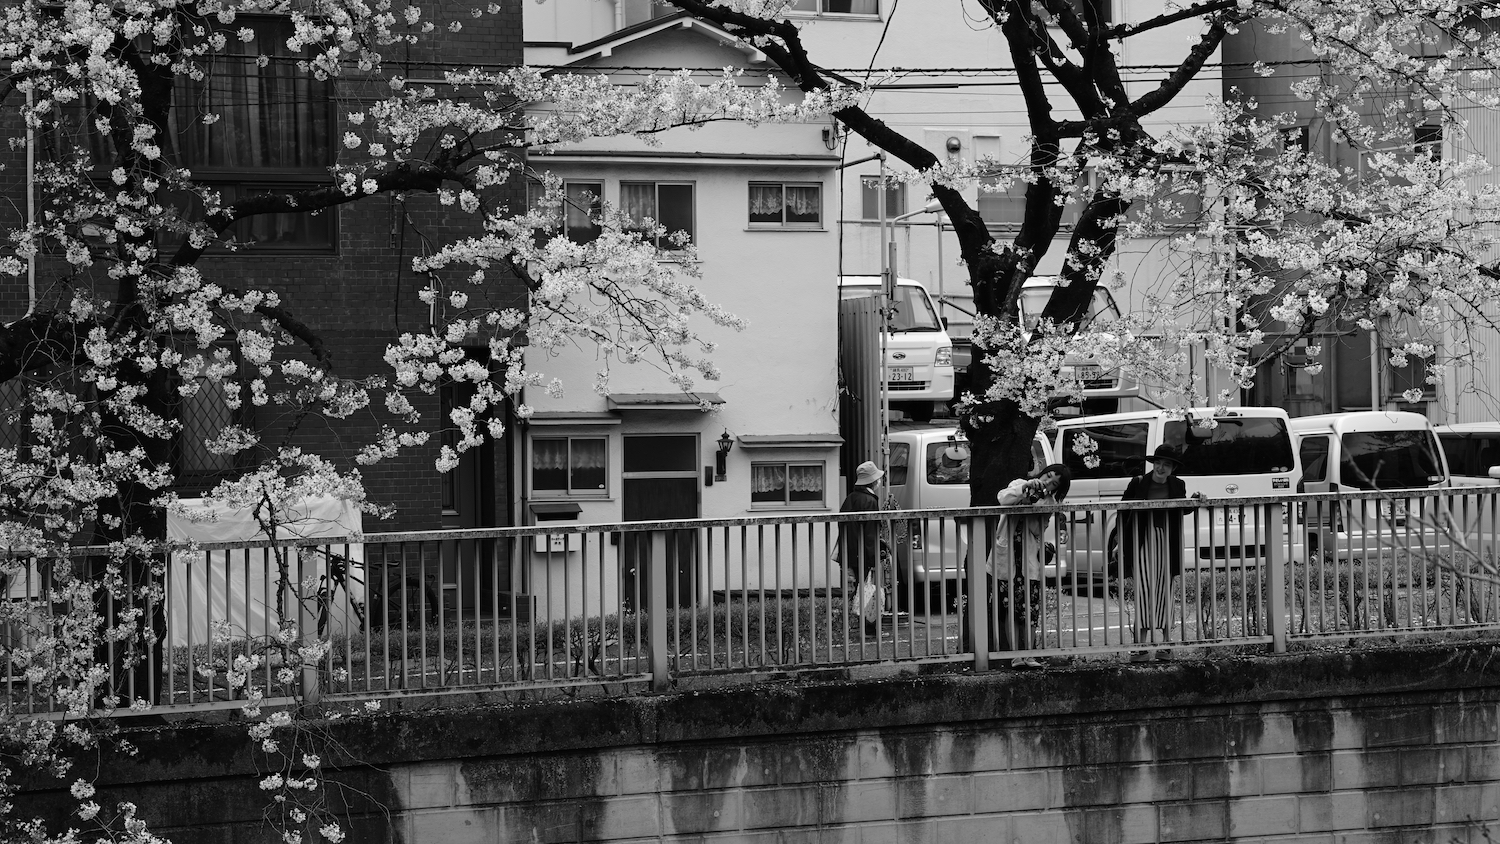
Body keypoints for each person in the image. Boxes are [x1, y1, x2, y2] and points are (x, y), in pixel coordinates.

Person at [1118, 444, 1205, 662]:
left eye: (1166, 464)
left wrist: (1194, 500)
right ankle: (1140, 646)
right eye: (1158, 463)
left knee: (1166, 589)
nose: (1161, 468)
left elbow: (1182, 508)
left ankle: (1166, 645)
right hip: (1142, 540)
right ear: (1153, 464)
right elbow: (1122, 511)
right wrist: (1119, 542)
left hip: (1167, 540)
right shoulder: (1138, 483)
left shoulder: (1178, 484)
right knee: (1144, 589)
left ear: (1173, 468)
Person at [985, 462, 1071, 669]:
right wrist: (1025, 490)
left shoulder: (1049, 503)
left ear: (1056, 490)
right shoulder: (1019, 483)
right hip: (1007, 558)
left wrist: (1038, 500)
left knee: (1030, 612)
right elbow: (1002, 499)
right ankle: (1016, 656)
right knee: (1010, 610)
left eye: (1053, 483)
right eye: (1048, 476)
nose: (1047, 482)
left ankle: (1029, 654)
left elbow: (1036, 530)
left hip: (1028, 560)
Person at [838, 460, 886, 635]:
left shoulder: (850, 498)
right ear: (873, 481)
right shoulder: (870, 501)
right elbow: (871, 533)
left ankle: (861, 625)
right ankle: (870, 628)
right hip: (865, 554)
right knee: (870, 590)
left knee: (859, 588)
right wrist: (874, 558)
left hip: (850, 552)